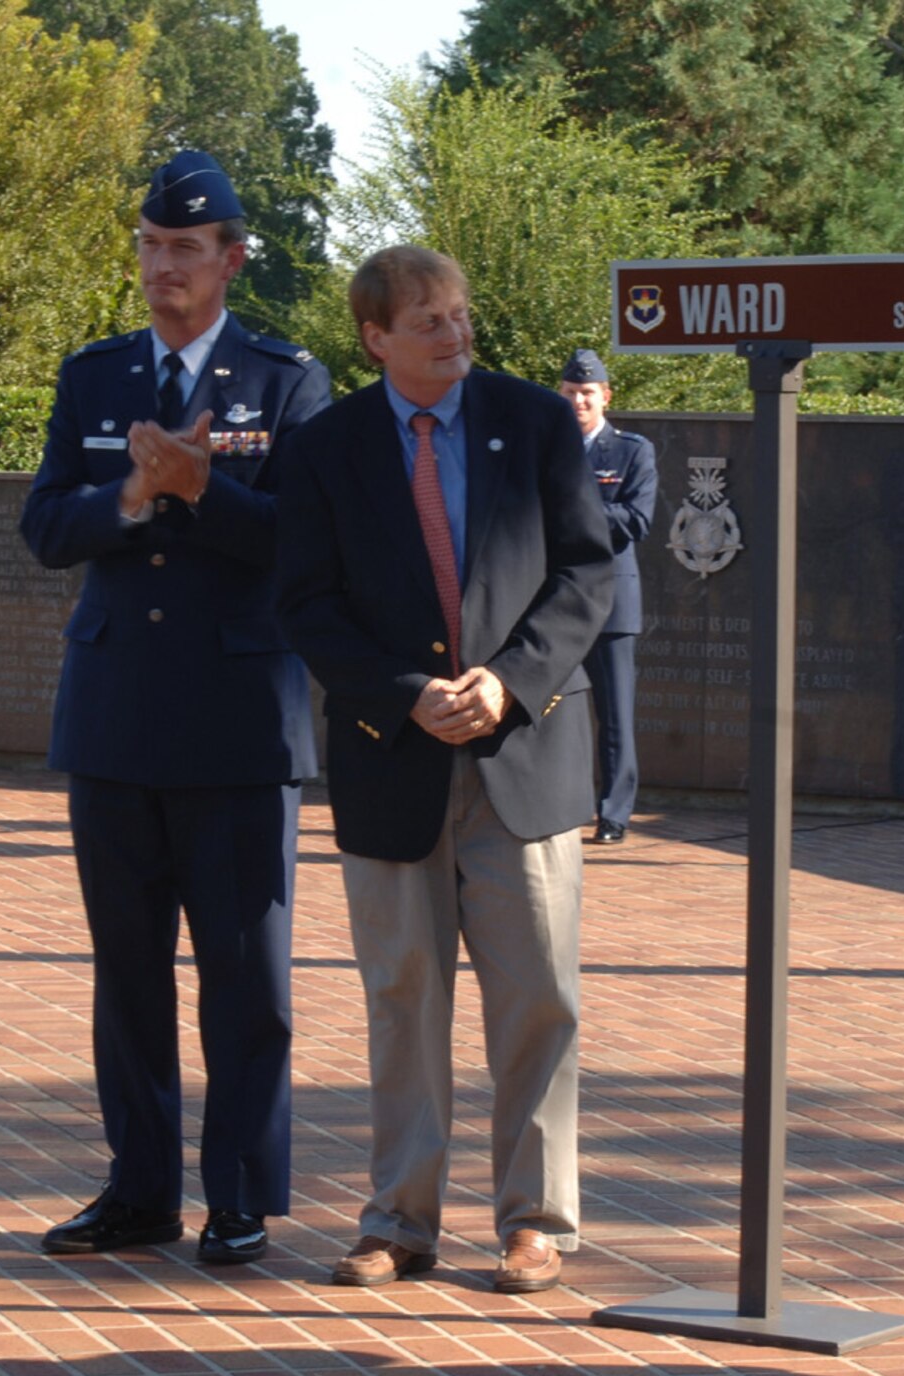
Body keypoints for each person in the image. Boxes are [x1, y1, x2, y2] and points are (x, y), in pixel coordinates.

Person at [274, 246, 613, 1294]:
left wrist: (508, 681)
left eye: (460, 316)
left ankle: (533, 1221)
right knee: (403, 996)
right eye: (429, 322)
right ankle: (398, 1221)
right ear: (374, 337)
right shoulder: (324, 449)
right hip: (392, 760)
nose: (455, 335)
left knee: (538, 996)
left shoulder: (537, 421)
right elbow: (304, 602)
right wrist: (396, 691)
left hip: (525, 753)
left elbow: (587, 570)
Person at [20, 150, 331, 1264]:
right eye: (150, 246)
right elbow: (49, 525)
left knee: (244, 977)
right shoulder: (96, 374)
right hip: (114, 715)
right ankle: (138, 1187)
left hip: (238, 722)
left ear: (231, 258)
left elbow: (306, 539)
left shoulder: (287, 379)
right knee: (128, 973)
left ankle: (239, 1194)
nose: (164, 267)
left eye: (186, 249)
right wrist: (130, 494)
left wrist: (202, 492)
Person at [556, 348, 658, 844]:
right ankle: (556, 804)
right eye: (571, 393)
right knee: (551, 708)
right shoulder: (546, 447)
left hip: (613, 603)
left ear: (606, 397)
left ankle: (614, 815)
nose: (578, 402)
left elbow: (635, 522)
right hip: (555, 600)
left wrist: (573, 512)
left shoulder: (632, 451)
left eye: (587, 394)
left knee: (615, 716)